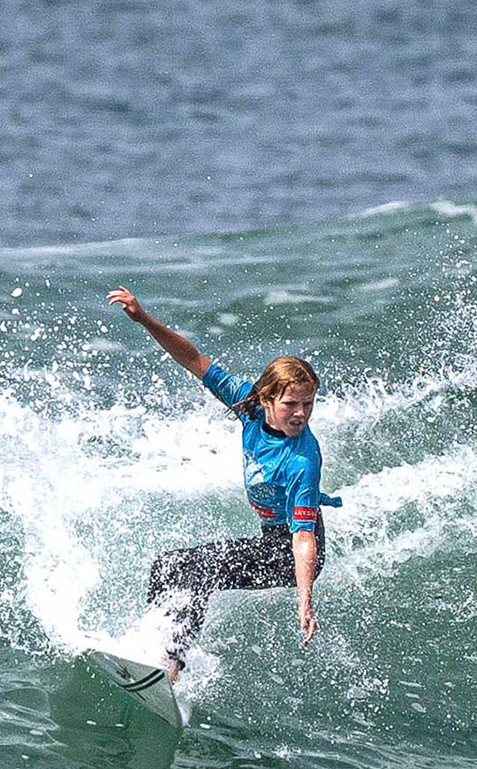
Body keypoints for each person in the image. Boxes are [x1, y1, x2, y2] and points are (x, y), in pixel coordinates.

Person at [108, 286, 340, 682]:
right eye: (291, 404)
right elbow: (193, 359)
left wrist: (305, 600)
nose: (301, 414)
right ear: (266, 399)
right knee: (168, 564)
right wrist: (144, 319)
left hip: (291, 554)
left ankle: (169, 667)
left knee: (201, 568)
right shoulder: (248, 405)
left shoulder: (303, 460)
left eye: (308, 404)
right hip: (271, 540)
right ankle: (153, 645)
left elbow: (303, 538)